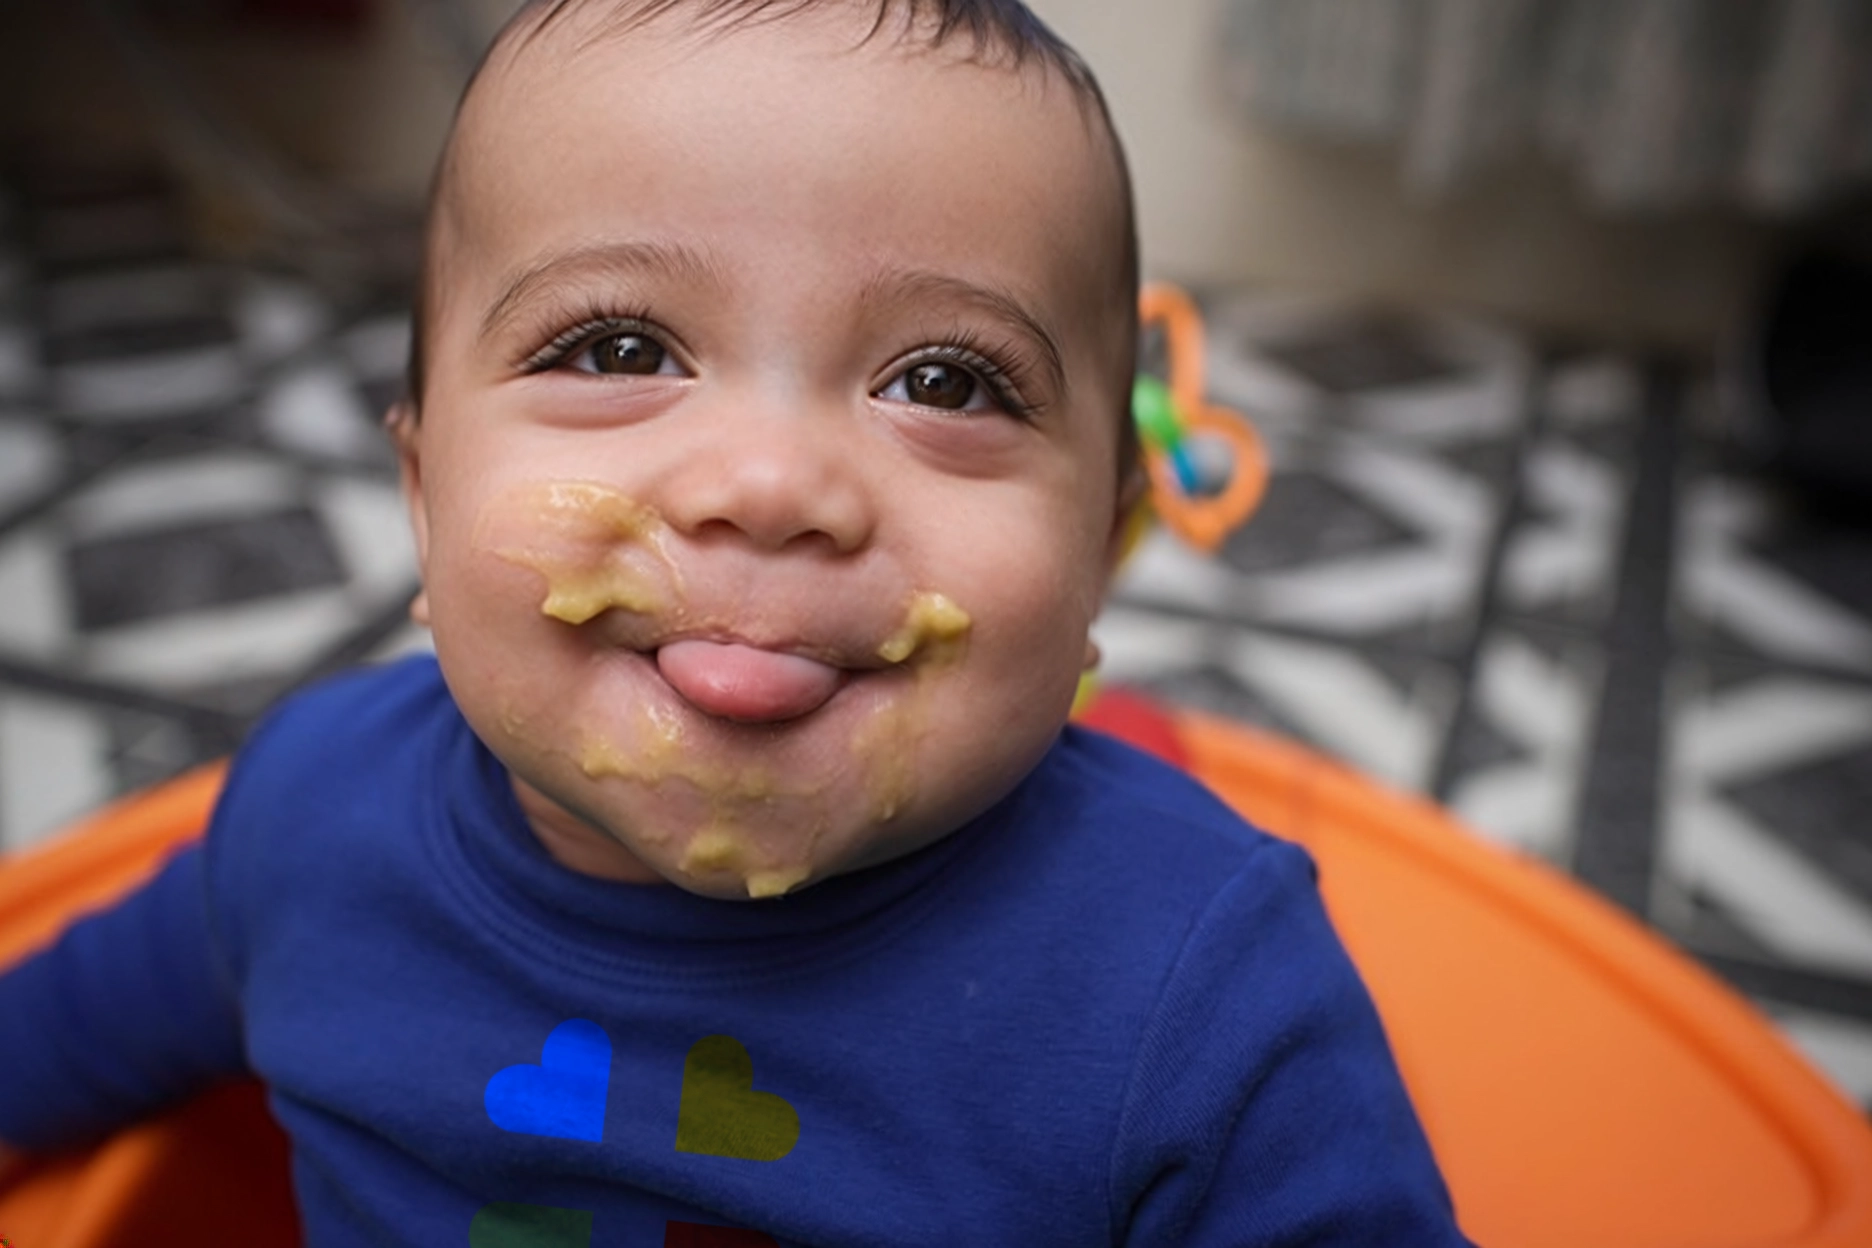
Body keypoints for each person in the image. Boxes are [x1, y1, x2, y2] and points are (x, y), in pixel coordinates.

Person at [0, 1, 1475, 1243]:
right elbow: (48, 1048)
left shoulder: (1205, 995)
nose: (770, 486)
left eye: (946, 383)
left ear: (1101, 551)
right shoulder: (307, 817)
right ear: (424, 496)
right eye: (617, 348)